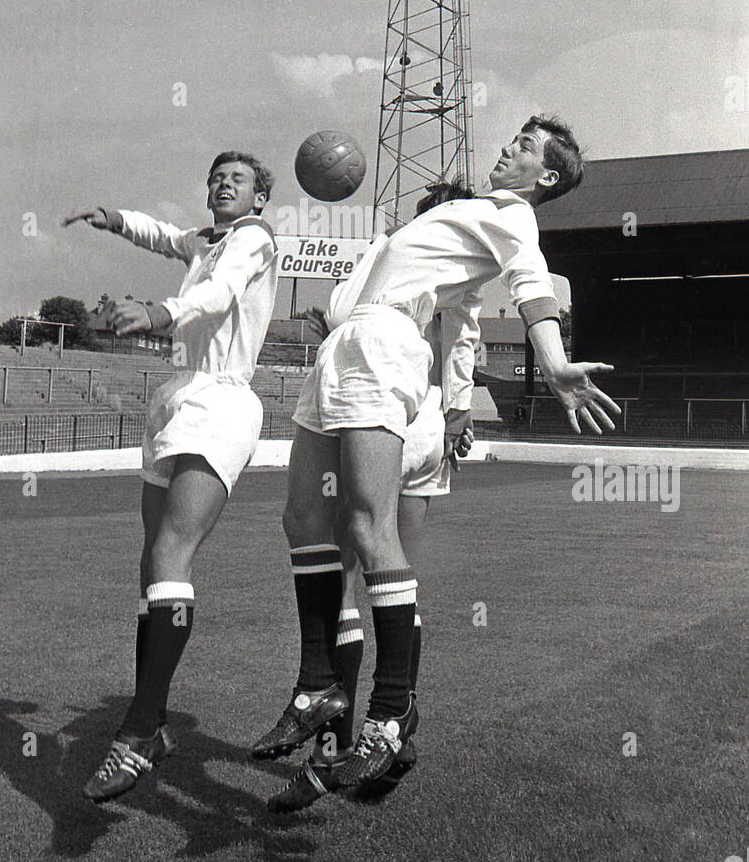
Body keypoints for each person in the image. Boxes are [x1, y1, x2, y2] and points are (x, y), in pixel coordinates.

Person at [257, 116, 621, 801]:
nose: (508, 146)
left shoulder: (513, 217)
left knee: (369, 528)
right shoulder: (469, 210)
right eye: (512, 136)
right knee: (301, 516)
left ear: (544, 176)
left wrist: (552, 361)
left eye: (524, 146)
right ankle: (315, 684)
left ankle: (389, 714)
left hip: (383, 345)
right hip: (346, 346)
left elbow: (532, 286)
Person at [62, 151, 278, 802]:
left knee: (171, 553)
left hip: (222, 400)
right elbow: (162, 234)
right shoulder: (205, 241)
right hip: (176, 397)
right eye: (216, 177)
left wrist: (159, 312)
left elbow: (218, 293)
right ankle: (152, 721)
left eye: (236, 179)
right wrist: (113, 219)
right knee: (151, 568)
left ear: (260, 199)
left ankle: (134, 735)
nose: (221, 184)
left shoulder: (255, 240)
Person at [256, 179, 477, 811]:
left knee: (360, 559)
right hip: (396, 411)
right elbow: (446, 338)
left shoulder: (437, 263)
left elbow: (460, 335)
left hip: (397, 415)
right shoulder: (392, 255)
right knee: (379, 567)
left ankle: (352, 732)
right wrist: (457, 412)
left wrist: (456, 408)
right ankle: (380, 732)